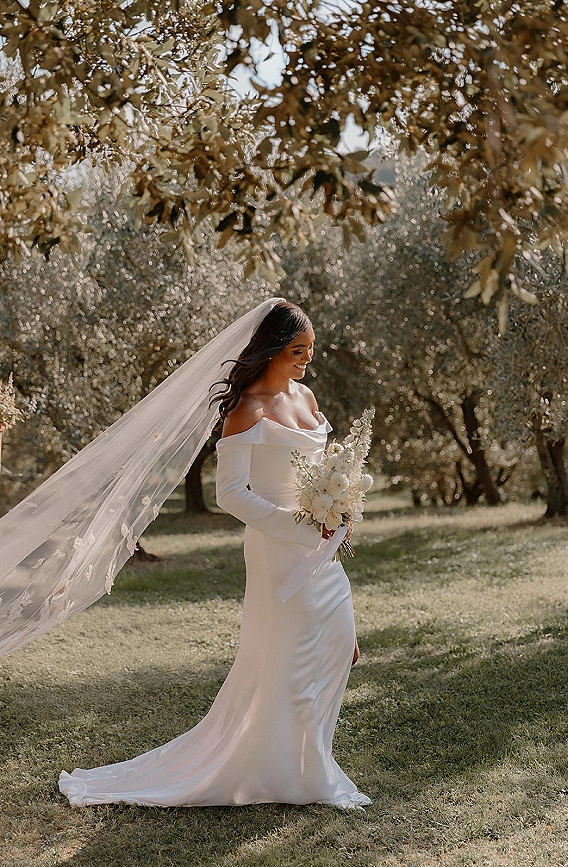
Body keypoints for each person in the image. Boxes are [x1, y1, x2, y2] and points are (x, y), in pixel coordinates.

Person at [58, 301, 370, 809]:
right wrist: (298, 525)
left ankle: (308, 761)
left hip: (322, 548)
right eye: (297, 350)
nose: (306, 360)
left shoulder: (307, 396)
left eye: (311, 350)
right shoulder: (248, 409)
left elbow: (322, 471)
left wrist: (339, 507)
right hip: (279, 547)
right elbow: (230, 493)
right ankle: (296, 777)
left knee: (338, 649)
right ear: (271, 350)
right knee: (290, 659)